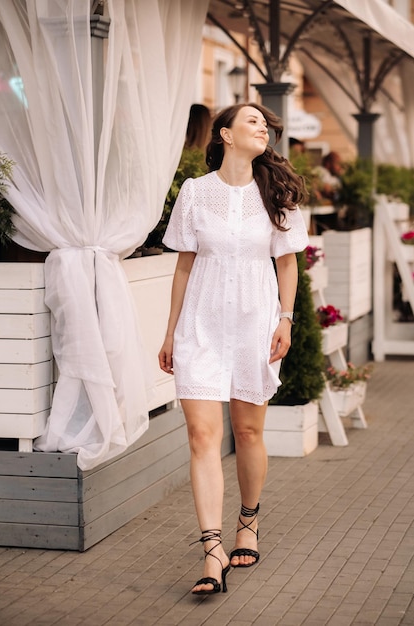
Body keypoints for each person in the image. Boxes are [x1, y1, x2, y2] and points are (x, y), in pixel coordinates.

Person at [158, 103, 309, 596]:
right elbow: (184, 265)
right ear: (225, 133)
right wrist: (170, 331)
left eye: (265, 123)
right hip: (200, 325)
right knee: (202, 436)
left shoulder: (278, 193)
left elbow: (287, 264)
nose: (262, 127)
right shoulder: (196, 193)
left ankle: (249, 520)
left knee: (247, 430)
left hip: (255, 323)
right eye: (251, 120)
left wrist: (286, 319)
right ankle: (211, 550)